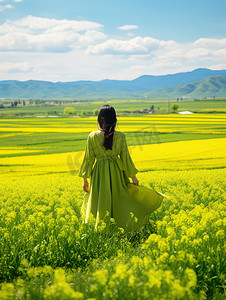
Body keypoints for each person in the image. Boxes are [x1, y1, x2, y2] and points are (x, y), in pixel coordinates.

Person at [78, 105, 168, 233]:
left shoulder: (92, 136)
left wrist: (85, 180)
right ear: (114, 120)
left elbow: (88, 160)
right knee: (120, 199)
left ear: (99, 119)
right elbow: (126, 159)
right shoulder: (120, 136)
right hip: (117, 172)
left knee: (100, 200)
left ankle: (101, 230)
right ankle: (122, 228)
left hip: (99, 174)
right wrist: (133, 177)